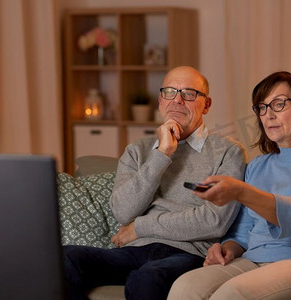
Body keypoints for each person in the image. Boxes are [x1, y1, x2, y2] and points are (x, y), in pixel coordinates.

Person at [63, 66, 247, 300]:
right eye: (170, 92)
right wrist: (162, 155)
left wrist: (140, 227)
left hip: (188, 253)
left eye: (189, 94)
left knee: (148, 277)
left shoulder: (228, 152)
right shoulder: (137, 151)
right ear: (161, 101)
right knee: (65, 258)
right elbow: (122, 212)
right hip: (134, 250)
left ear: (207, 105)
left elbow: (214, 221)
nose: (177, 100)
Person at [168, 71, 291, 300]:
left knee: (232, 294)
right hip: (255, 259)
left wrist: (242, 192)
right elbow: (245, 232)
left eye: (278, 104)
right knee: (185, 286)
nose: (268, 115)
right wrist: (228, 248)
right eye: (262, 107)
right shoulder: (258, 165)